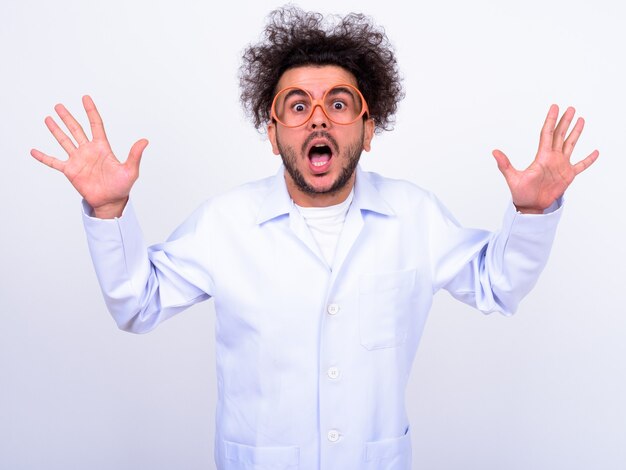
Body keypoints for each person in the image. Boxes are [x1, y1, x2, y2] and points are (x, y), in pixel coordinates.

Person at [31, 6, 598, 470]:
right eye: (297, 106)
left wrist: (531, 212)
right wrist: (108, 208)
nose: (318, 118)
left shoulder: (414, 215)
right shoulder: (226, 222)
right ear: (273, 132)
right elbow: (138, 304)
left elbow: (498, 285)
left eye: (340, 103)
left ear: (368, 129)